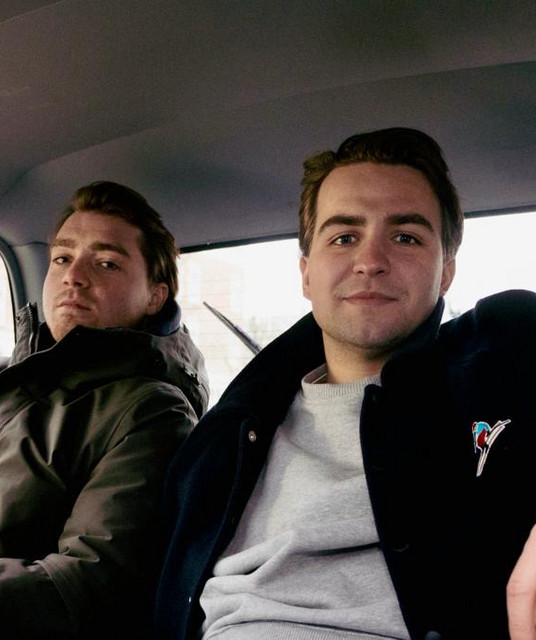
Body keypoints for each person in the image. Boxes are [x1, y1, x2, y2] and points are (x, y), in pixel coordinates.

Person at [154, 128, 536, 640]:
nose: (370, 260)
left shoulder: (502, 364)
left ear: (446, 271)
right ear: (306, 273)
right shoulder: (223, 440)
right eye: (344, 237)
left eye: (406, 237)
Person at [0, 181, 209, 639]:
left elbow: (88, 583)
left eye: (107, 263)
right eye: (62, 258)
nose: (74, 276)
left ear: (154, 297)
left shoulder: (152, 412)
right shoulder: (12, 375)